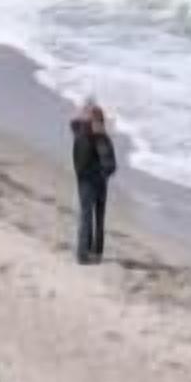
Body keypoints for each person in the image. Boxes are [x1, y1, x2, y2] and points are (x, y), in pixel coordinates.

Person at [70, 101, 116, 263]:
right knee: (91, 217)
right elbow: (110, 165)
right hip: (91, 180)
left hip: (88, 180)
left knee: (90, 217)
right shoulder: (95, 137)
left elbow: (110, 165)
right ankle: (88, 253)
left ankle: (90, 252)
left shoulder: (83, 133)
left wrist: (85, 111)